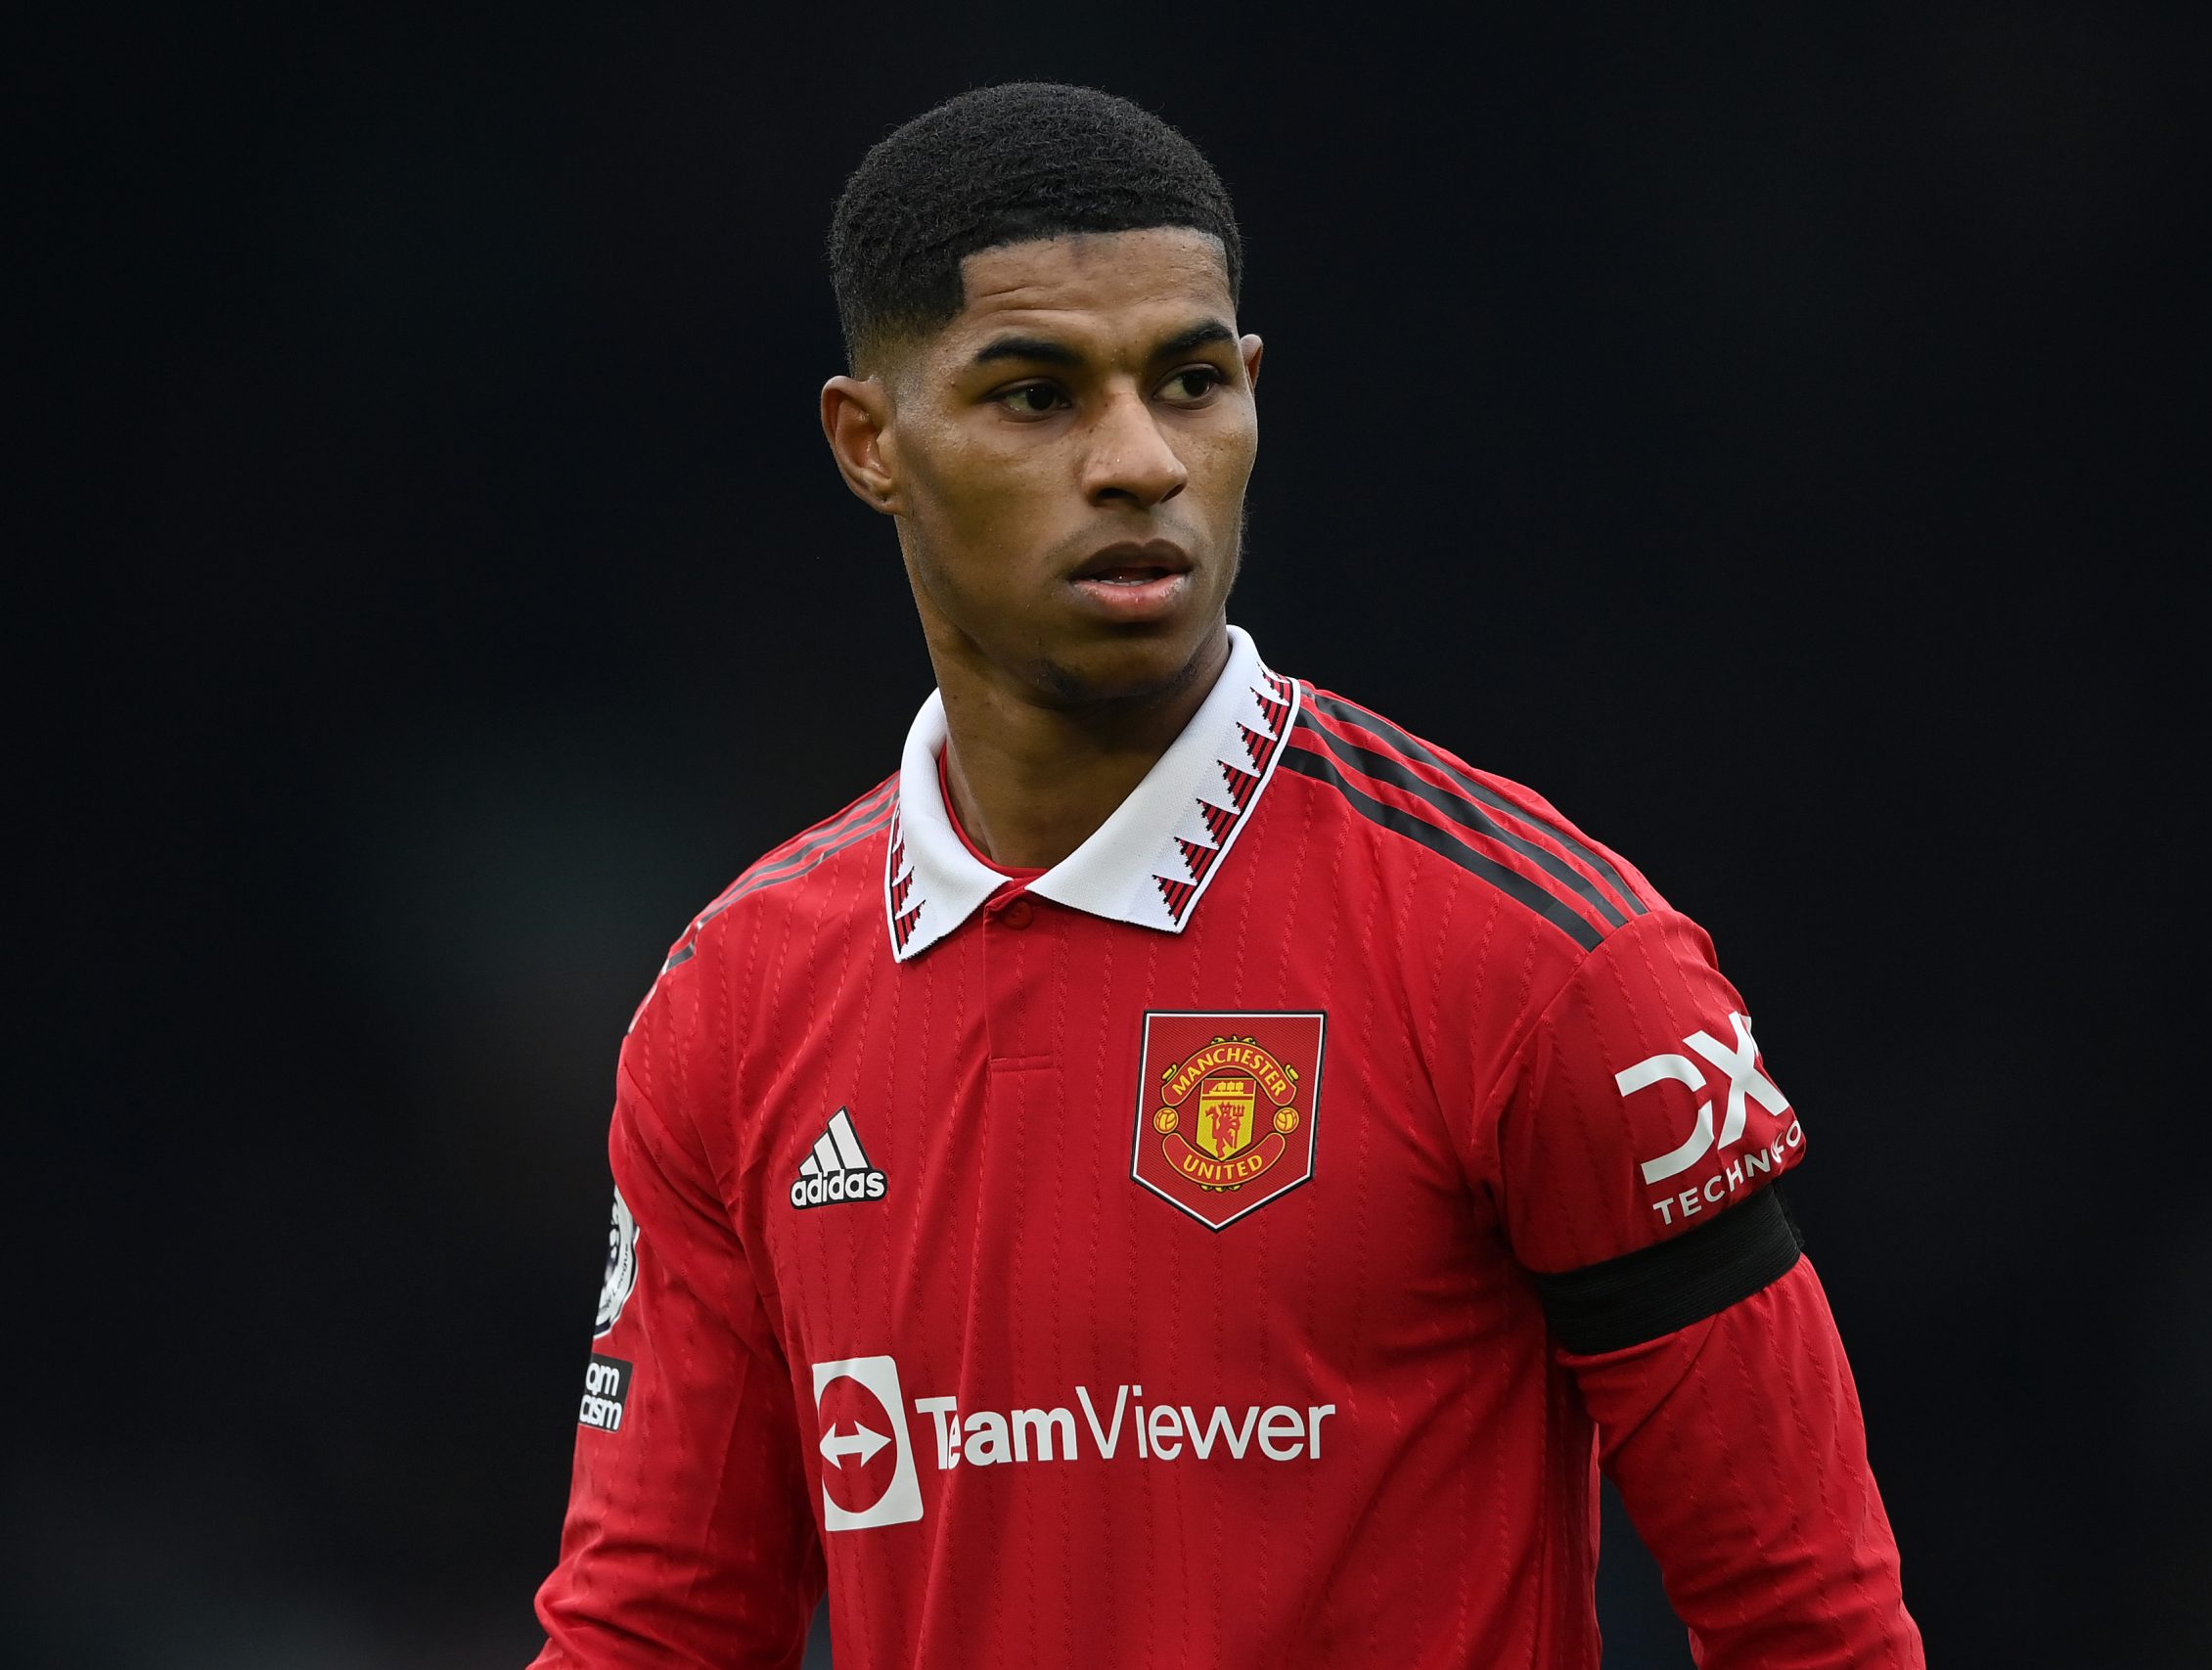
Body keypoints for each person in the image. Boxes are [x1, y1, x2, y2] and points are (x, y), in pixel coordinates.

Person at [531, 81, 1921, 1669]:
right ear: (870, 444)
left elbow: (1811, 1622)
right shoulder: (735, 1006)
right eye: (1037, 395)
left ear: (1252, 393)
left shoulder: (1547, 963)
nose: (1139, 461)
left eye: (1188, 382)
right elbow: (655, 1631)